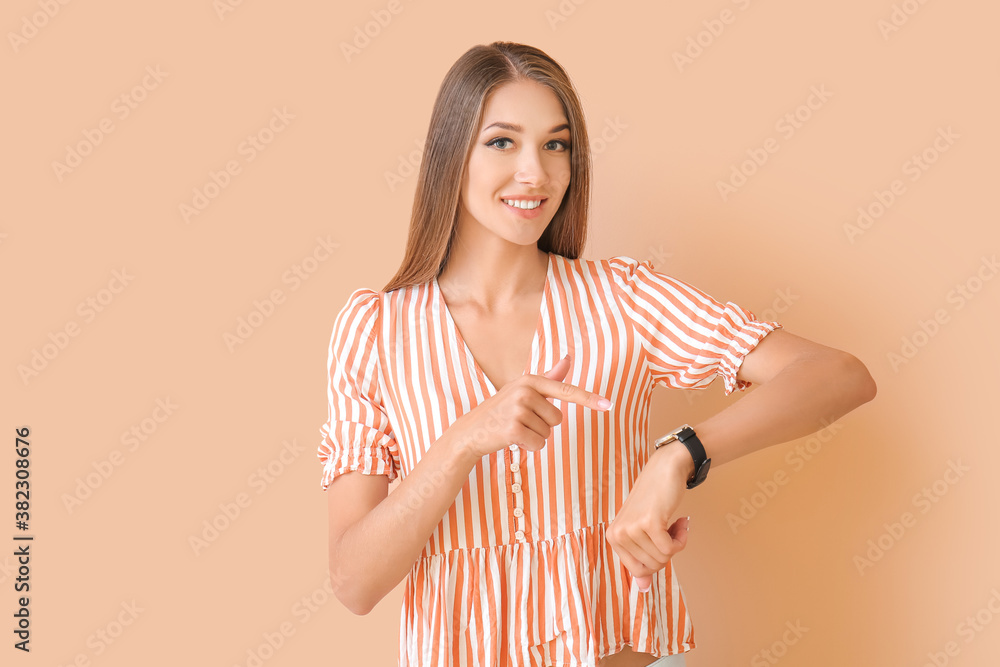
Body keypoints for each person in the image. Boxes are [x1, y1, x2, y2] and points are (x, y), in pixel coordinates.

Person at [318, 41, 876, 667]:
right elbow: (354, 583)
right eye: (502, 141)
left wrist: (678, 455)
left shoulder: (623, 301)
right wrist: (463, 440)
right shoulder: (376, 330)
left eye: (556, 145)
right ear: (453, 155)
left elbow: (837, 376)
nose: (535, 172)